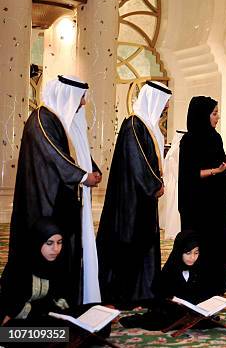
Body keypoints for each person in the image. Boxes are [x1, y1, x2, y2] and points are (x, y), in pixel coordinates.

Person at [8, 75, 101, 306]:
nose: (82, 103)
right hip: (44, 202)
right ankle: (40, 305)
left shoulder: (57, 121)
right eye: (80, 98)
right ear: (67, 95)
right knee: (47, 252)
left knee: (64, 252)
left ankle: (65, 300)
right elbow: (54, 154)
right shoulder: (42, 118)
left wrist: (93, 170)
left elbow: (73, 153)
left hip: (60, 201)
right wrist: (82, 176)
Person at [97, 80, 171, 306]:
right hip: (130, 199)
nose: (167, 106)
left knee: (144, 243)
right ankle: (122, 294)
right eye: (165, 101)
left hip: (143, 199)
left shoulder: (148, 125)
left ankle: (143, 291)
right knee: (128, 243)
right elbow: (138, 161)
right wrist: (155, 184)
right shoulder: (133, 125)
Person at [178, 96, 226, 295]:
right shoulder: (189, 140)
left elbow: (220, 167)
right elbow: (190, 174)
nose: (218, 117)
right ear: (202, 115)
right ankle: (199, 288)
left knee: (218, 244)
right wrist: (217, 170)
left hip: (216, 202)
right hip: (197, 204)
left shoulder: (215, 137)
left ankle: (217, 287)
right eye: (214, 113)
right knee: (201, 244)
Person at [120, 230, 216, 331]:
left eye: (196, 253)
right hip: (172, 310)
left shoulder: (200, 269)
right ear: (179, 251)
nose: (192, 257)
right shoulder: (169, 270)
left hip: (194, 309)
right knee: (161, 321)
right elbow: (159, 294)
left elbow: (205, 291)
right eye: (188, 253)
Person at [1, 219, 71, 326]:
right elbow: (11, 307)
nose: (56, 249)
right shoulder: (18, 267)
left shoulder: (58, 264)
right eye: (49, 243)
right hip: (14, 324)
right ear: (37, 241)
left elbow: (57, 299)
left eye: (59, 242)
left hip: (42, 319)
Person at [159, 130, 185, 240]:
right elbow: (177, 172)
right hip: (176, 184)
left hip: (172, 183)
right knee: (174, 209)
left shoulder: (171, 152)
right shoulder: (175, 153)